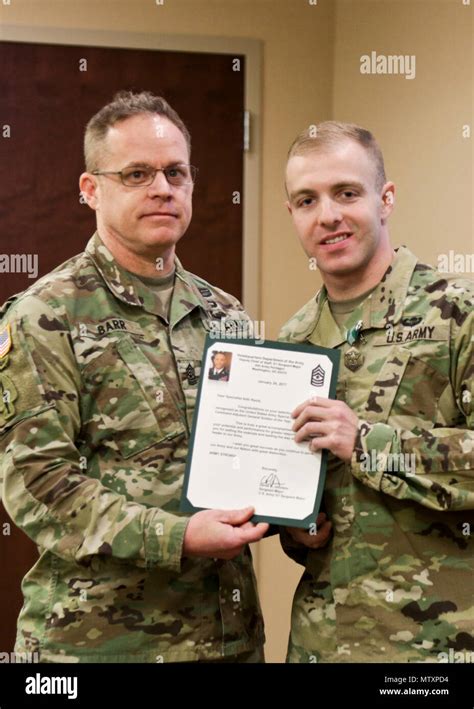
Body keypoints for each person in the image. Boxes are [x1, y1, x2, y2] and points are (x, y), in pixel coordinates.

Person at [0, 91, 269, 663]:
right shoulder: (44, 315)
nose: (162, 188)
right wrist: (178, 537)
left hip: (228, 639)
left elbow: (257, 459)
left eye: (176, 172)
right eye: (137, 173)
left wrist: (295, 516)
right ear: (91, 188)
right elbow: (37, 484)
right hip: (100, 644)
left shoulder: (226, 314)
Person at [280, 121, 473, 663]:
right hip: (323, 644)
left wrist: (365, 441)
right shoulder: (292, 344)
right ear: (292, 216)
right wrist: (299, 531)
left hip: (438, 649)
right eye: (306, 200)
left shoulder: (459, 314)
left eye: (347, 193)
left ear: (385, 199)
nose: (328, 216)